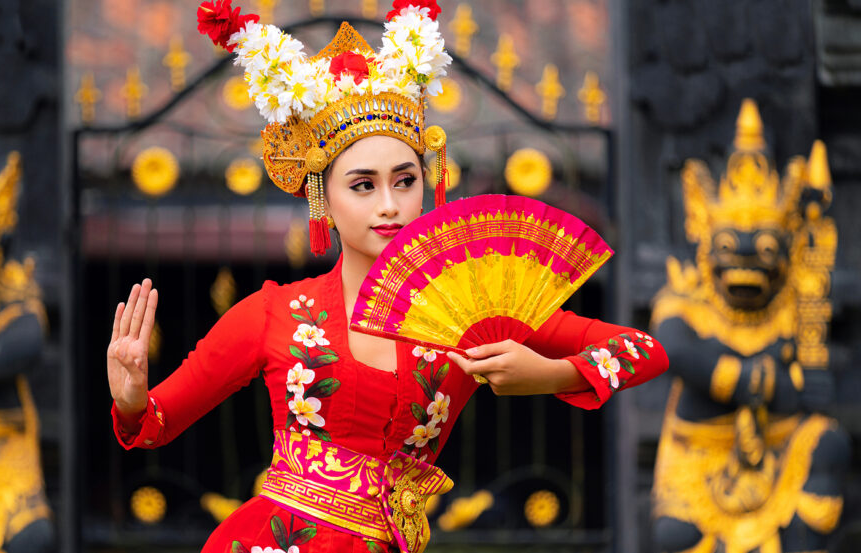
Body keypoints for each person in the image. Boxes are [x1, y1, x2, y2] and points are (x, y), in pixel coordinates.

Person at [108, 2, 668, 551]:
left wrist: (549, 374)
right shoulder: (274, 314)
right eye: (363, 185)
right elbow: (155, 423)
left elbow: (644, 350)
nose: (389, 205)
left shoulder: (470, 310)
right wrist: (132, 398)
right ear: (323, 197)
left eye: (404, 180)